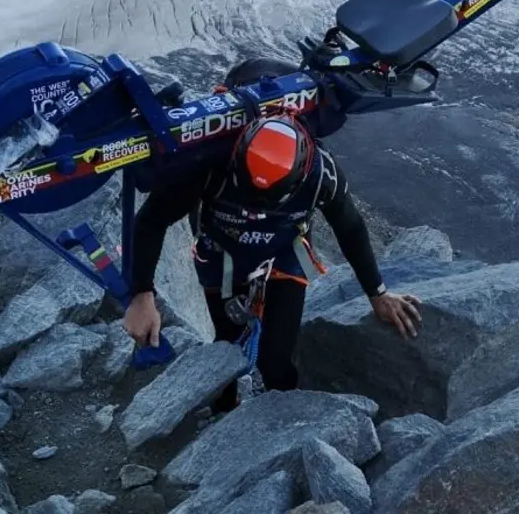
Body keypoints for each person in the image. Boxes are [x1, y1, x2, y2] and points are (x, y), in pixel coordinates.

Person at [123, 59, 422, 413]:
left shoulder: (321, 175)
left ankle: (279, 424)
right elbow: (151, 220)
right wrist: (142, 295)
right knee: (225, 346)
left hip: (280, 253)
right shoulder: (209, 163)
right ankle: (225, 409)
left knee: (276, 359)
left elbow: (351, 228)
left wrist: (379, 294)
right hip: (228, 253)